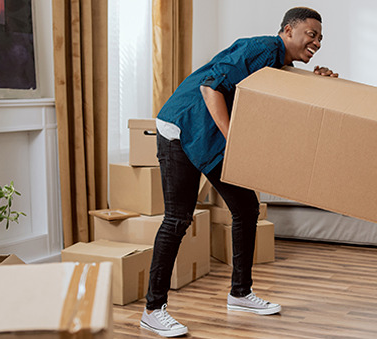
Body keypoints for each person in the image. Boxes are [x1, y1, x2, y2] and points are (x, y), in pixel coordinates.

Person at [139, 7, 337, 338]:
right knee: (177, 219)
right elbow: (209, 87)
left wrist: (316, 82)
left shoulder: (278, 63)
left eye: (320, 38)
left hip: (207, 136)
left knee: (245, 208)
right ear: (288, 31)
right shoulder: (262, 48)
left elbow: (281, 98)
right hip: (182, 126)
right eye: (311, 34)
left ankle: (240, 293)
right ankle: (152, 309)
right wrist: (235, 140)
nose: (316, 42)